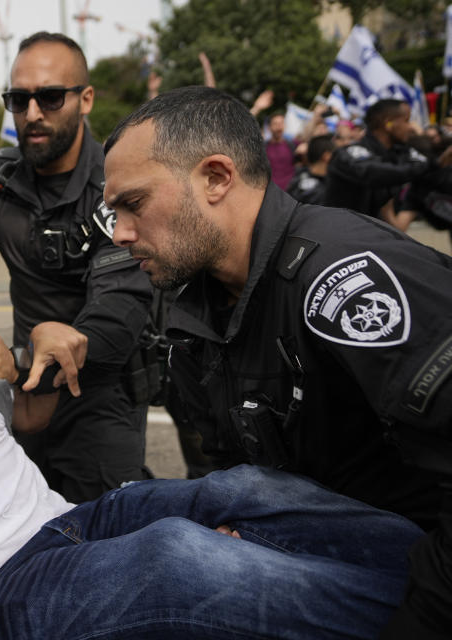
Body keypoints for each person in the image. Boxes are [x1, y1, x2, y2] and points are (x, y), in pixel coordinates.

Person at [0, 194, 424, 640]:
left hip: (70, 523)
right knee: (179, 559)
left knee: (247, 489)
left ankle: (433, 570)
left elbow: (24, 425)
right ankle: (425, 623)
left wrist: (27, 364)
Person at [102, 85, 452, 638]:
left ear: (216, 178)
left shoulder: (339, 276)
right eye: (113, 212)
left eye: (133, 204)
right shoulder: (195, 309)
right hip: (327, 554)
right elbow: (230, 464)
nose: (120, 234)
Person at [0, 31, 154, 502]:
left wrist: (29, 361)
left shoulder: (116, 183)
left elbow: (117, 312)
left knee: (107, 540)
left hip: (100, 393)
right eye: (18, 99)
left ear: (86, 99)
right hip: (22, 391)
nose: (32, 113)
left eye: (50, 97)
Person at [324, 99, 432, 231]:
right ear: (388, 123)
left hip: (375, 238)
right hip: (341, 236)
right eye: (406, 120)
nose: (410, 126)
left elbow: (428, 162)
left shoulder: (398, 152)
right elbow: (372, 172)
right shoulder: (349, 153)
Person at [286, 132, 335, 204]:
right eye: (334, 154)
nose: (336, 157)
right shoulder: (324, 190)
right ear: (326, 156)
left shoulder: (297, 178)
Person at [264, 113, 297, 190]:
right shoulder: (263, 147)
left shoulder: (293, 145)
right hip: (270, 190)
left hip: (290, 191)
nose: (279, 126)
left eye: (281, 123)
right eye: (275, 123)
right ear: (269, 127)